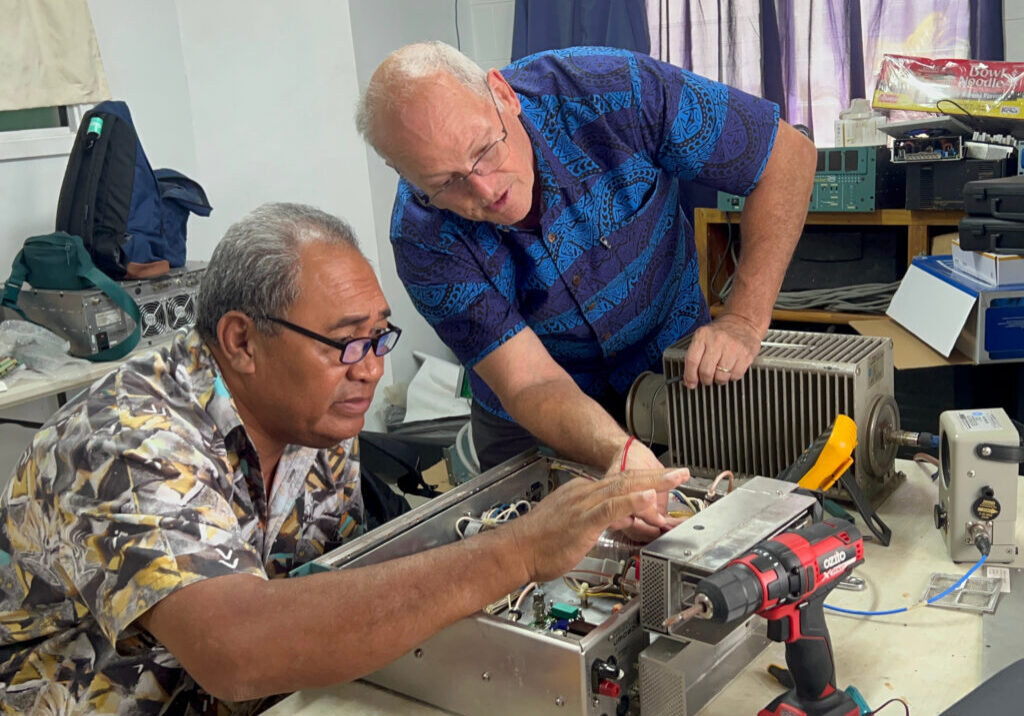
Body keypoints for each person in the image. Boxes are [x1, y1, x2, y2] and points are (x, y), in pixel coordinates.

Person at [0, 203, 685, 715]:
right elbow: (238, 651)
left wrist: (583, 551)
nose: (371, 371)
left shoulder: (313, 414)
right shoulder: (124, 441)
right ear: (241, 341)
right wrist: (519, 553)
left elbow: (344, 585)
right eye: (347, 343)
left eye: (379, 337)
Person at [357, 42, 818, 525]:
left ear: (502, 94)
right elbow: (530, 381)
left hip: (675, 372)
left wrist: (744, 319)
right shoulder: (421, 237)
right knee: (544, 571)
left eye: (485, 151)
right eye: (447, 182)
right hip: (531, 418)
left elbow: (786, 157)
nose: (486, 190)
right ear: (402, 173)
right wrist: (620, 455)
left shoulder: (611, 89)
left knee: (716, 525)